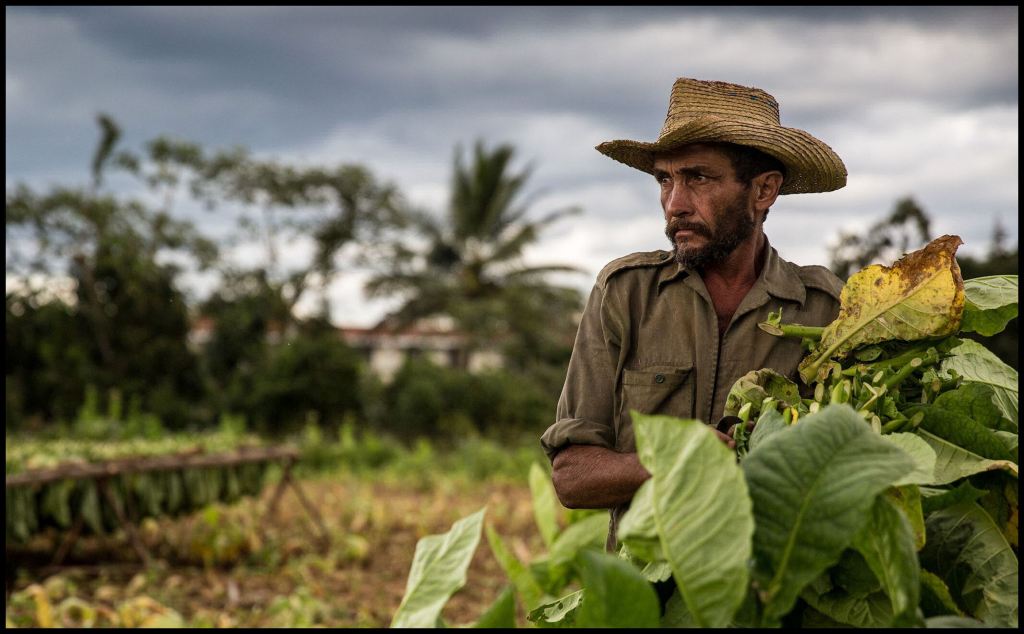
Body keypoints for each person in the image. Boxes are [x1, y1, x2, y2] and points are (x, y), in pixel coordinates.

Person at [540, 77, 847, 553]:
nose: (675, 204)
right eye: (666, 179)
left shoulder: (826, 310)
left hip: (773, 593)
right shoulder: (625, 294)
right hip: (647, 601)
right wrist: (677, 461)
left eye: (698, 178)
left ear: (763, 191)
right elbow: (572, 476)